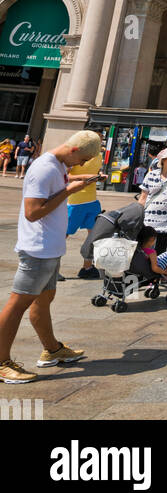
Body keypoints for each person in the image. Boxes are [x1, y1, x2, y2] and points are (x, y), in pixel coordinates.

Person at [0, 129, 102, 384]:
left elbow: (54, 192)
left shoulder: (57, 165)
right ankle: (1, 362)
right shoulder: (45, 168)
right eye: (83, 160)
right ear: (74, 150)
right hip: (37, 250)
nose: (82, 164)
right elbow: (33, 212)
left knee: (43, 301)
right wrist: (68, 190)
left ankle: (52, 349)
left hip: (50, 249)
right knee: (17, 305)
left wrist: (79, 181)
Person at [65, 145, 106, 280]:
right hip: (74, 200)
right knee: (63, 235)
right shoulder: (75, 155)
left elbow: (96, 173)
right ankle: (51, 268)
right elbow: (66, 176)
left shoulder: (100, 156)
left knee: (94, 235)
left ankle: (87, 267)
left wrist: (99, 177)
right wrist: (88, 177)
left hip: (92, 200)